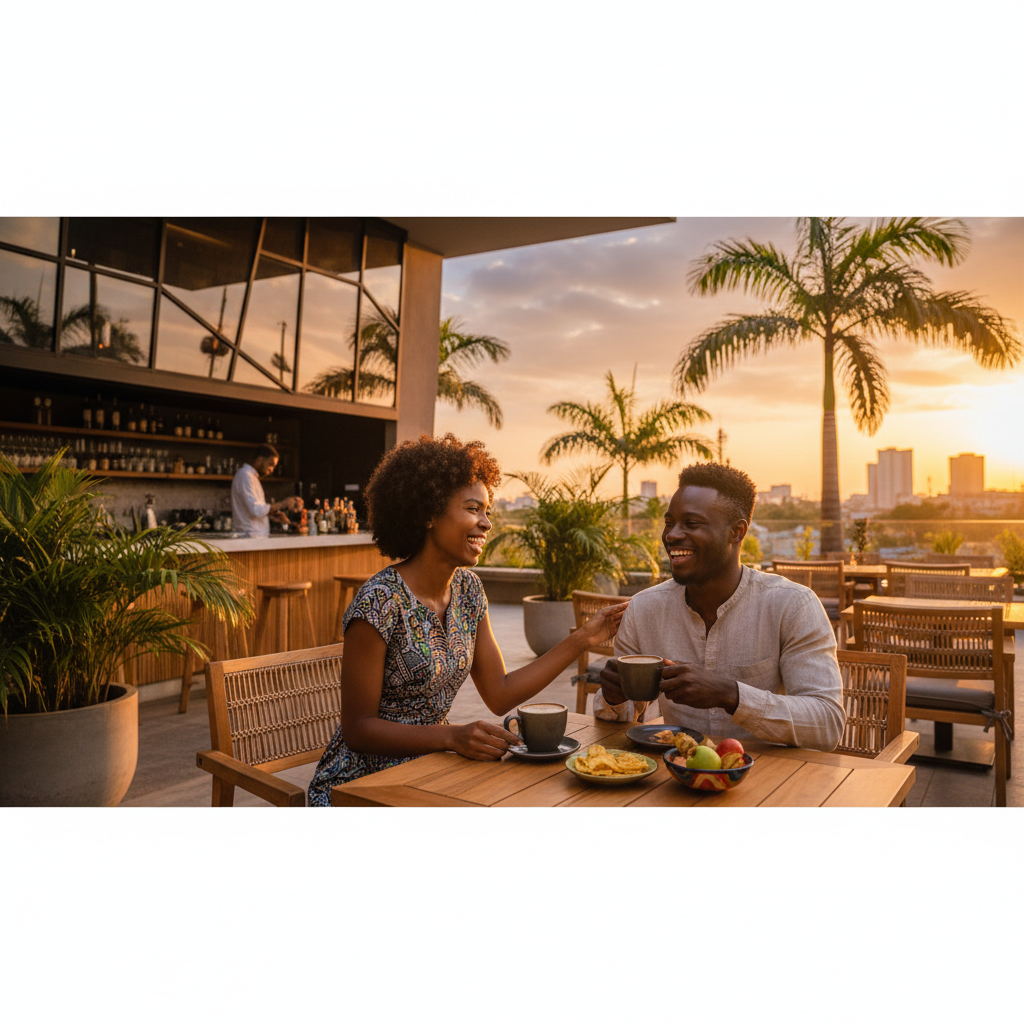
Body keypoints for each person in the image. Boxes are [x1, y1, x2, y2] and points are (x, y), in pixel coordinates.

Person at [308, 433, 626, 806]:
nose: (486, 523)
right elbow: (358, 730)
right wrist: (450, 736)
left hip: (432, 770)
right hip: (360, 784)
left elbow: (499, 692)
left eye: (487, 511)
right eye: (474, 509)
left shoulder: (469, 591)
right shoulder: (379, 601)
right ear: (428, 512)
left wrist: (582, 639)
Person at [599, 462, 845, 751]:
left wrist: (731, 695)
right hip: (677, 776)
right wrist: (613, 698)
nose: (671, 535)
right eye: (669, 523)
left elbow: (827, 724)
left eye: (691, 524)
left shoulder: (791, 605)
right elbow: (622, 718)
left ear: (737, 532)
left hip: (771, 782)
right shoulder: (644, 609)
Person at [230, 444, 301, 537]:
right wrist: (283, 504)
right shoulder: (245, 476)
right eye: (270, 464)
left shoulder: (252, 477)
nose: (272, 470)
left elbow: (256, 511)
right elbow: (256, 510)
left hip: (255, 537)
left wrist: (272, 515)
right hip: (249, 538)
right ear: (259, 460)